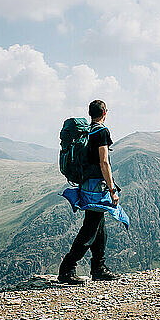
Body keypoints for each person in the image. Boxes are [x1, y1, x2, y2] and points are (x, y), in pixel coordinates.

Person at [58, 100, 121, 284]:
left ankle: (98, 267)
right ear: (104, 113)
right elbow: (104, 162)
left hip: (86, 185)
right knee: (90, 229)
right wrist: (112, 189)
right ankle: (67, 269)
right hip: (97, 188)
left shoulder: (86, 133)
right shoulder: (101, 132)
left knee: (99, 226)